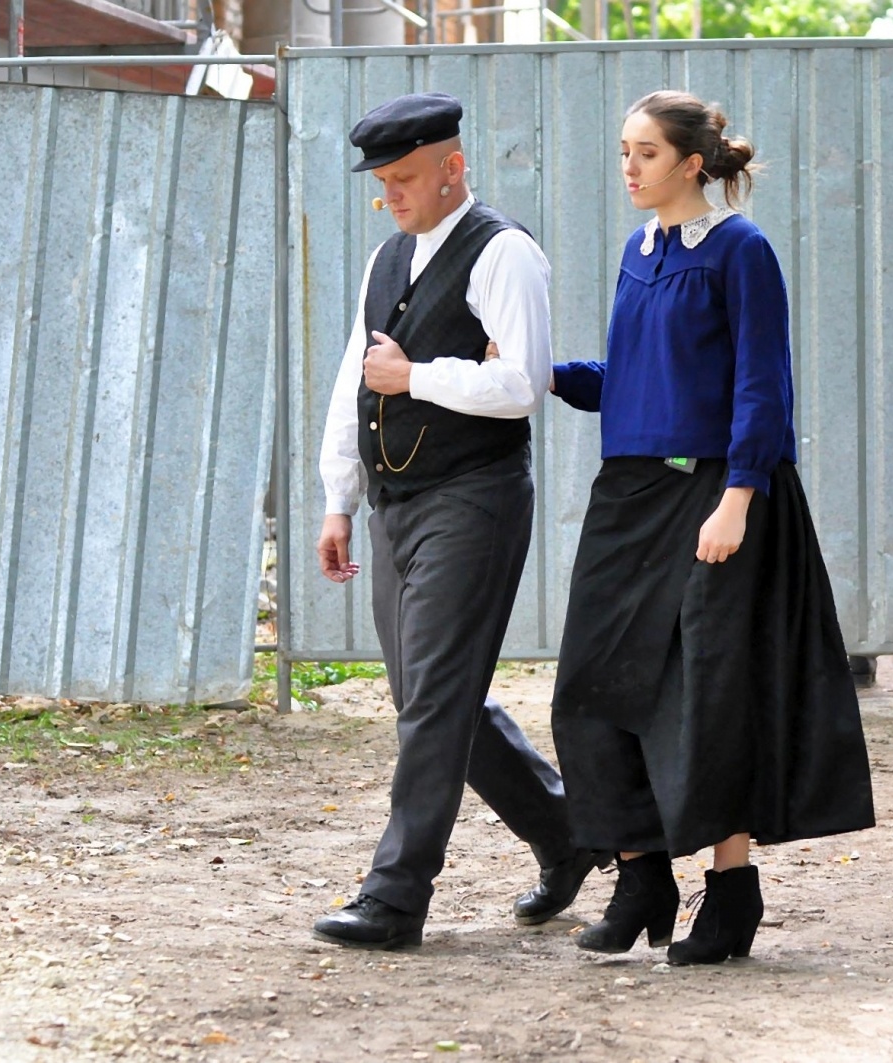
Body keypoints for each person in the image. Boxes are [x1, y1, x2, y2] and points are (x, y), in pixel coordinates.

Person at [548, 90, 875, 965]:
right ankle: (641, 873)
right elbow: (634, 372)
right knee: (589, 684)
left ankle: (731, 892)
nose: (629, 167)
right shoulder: (638, 250)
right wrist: (543, 374)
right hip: (629, 496)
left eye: (646, 152)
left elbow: (763, 384)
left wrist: (738, 495)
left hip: (717, 496)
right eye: (624, 150)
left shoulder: (741, 249)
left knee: (709, 692)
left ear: (693, 162)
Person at [312, 92, 602, 950]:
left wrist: (420, 376)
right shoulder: (387, 256)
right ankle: (566, 832)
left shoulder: (505, 253)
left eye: (404, 178)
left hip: (474, 497)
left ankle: (395, 896)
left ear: (453, 168)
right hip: (396, 504)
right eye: (382, 182)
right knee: (433, 699)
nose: (391, 195)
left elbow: (524, 384)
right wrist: (338, 497)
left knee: (433, 701)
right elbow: (353, 377)